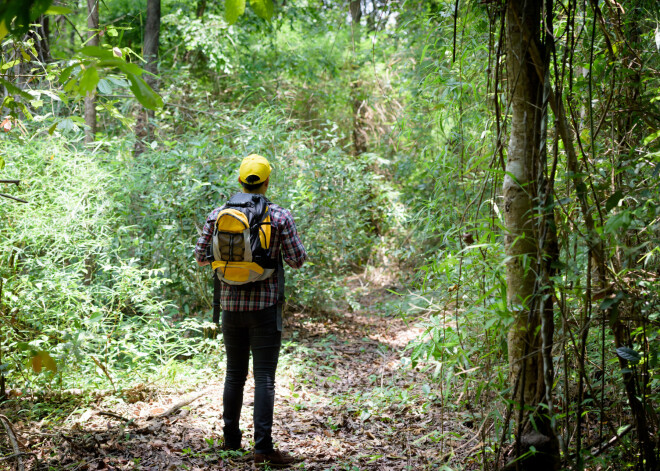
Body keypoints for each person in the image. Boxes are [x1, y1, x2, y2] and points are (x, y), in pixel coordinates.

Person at [194, 154, 307, 468]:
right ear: (267, 182)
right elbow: (298, 260)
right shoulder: (279, 216)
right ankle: (263, 449)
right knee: (265, 379)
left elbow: (201, 257)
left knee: (234, 376)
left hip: (230, 307)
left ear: (240, 181)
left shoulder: (218, 214)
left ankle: (231, 443)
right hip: (265, 308)